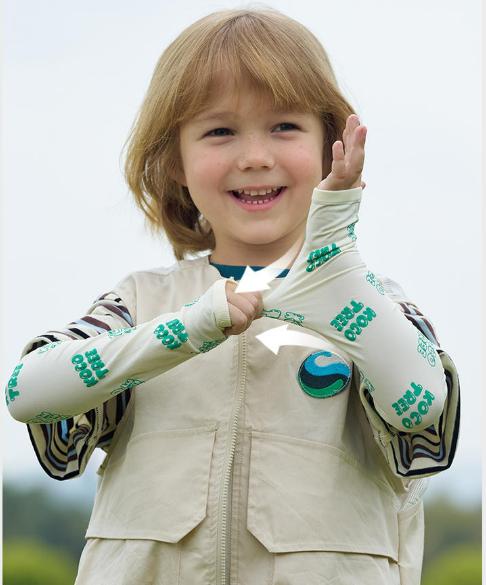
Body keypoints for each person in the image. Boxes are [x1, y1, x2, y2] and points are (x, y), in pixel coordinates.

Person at [5, 8, 460, 585]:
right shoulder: (141, 302)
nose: (254, 156)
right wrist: (185, 329)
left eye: (284, 127)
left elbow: (422, 405)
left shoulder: (374, 306)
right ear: (175, 160)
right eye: (220, 131)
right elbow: (26, 392)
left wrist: (339, 276)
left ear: (331, 145)